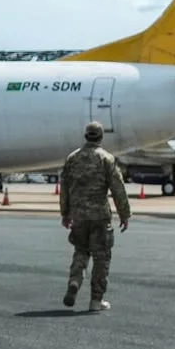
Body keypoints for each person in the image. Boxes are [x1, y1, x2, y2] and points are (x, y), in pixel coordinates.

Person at [59, 121, 131, 312]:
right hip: (100, 216)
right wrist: (125, 214)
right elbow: (118, 189)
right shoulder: (106, 159)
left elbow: (64, 189)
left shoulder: (72, 158)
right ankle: (96, 301)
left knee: (81, 251)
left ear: (86, 136)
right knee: (101, 258)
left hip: (79, 216)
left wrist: (65, 213)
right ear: (100, 137)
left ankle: (75, 281)